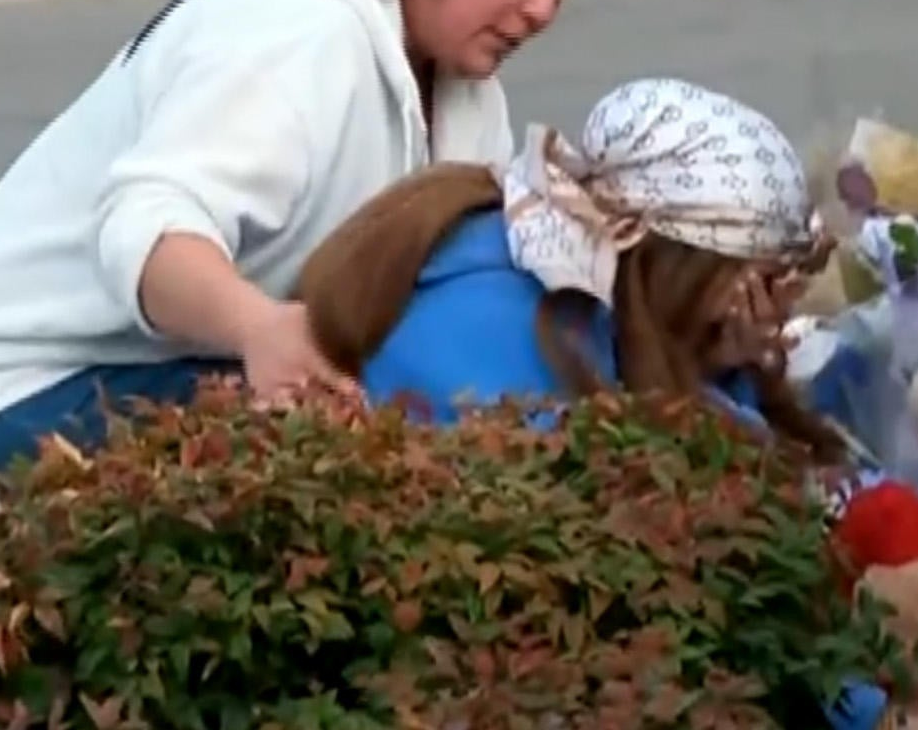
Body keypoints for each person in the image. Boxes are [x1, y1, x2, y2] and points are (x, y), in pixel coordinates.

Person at [0, 0, 610, 524]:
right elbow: (147, 225)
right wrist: (257, 327)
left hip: (159, 374)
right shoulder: (294, 31)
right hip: (1, 396)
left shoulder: (467, 94)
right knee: (344, 457)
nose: (543, 9)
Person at [294, 77, 882, 730]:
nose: (777, 305)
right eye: (767, 281)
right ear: (687, 268)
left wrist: (724, 362)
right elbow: (706, 546)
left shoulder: (584, 280)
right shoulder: (511, 336)